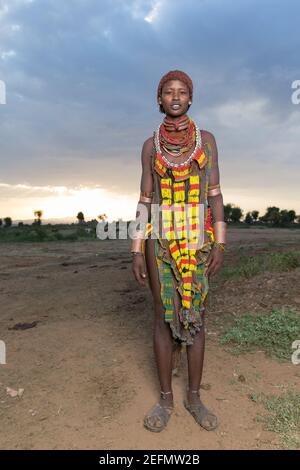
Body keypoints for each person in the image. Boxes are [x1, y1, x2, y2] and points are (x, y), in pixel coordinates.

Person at [131, 70, 226, 433]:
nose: (175, 96)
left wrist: (220, 242)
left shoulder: (208, 141)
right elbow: (144, 199)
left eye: (182, 91)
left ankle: (195, 397)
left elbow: (215, 195)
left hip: (197, 240)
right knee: (161, 317)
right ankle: (166, 399)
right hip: (160, 239)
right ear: (159, 100)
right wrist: (137, 250)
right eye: (168, 92)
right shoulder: (149, 145)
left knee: (197, 315)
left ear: (190, 98)